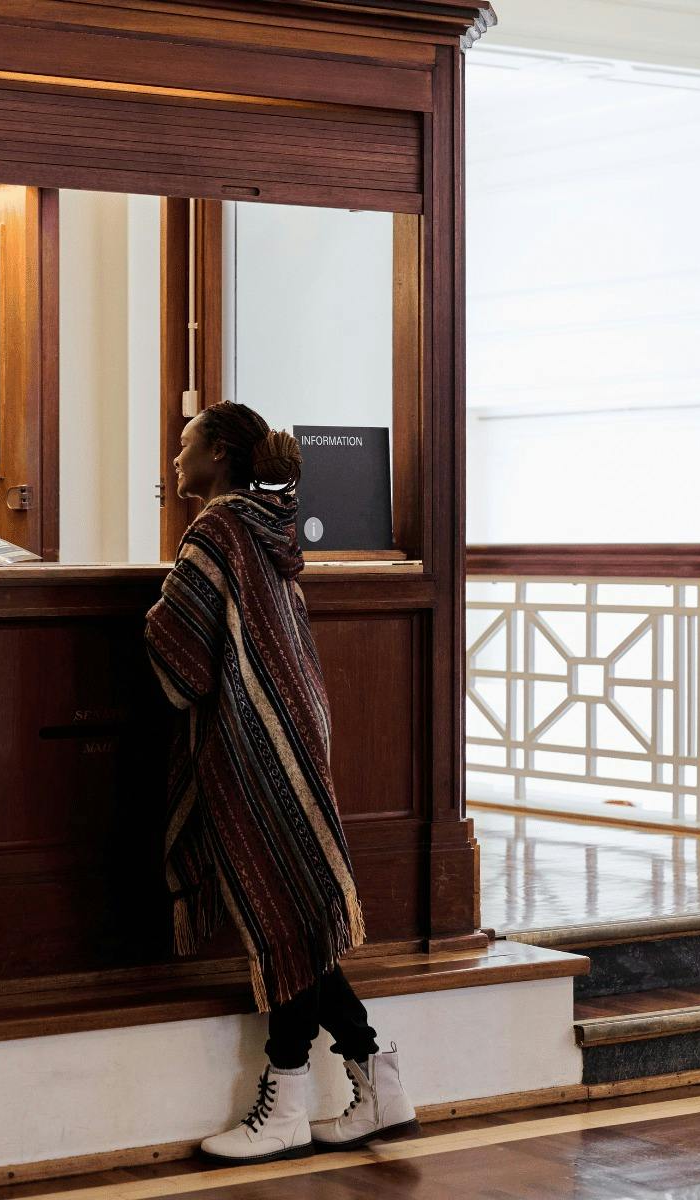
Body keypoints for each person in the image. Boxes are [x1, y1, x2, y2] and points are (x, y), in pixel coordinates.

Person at [144, 402, 418, 1164]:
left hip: (249, 732)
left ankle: (290, 1100)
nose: (175, 462)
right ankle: (373, 1083)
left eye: (185, 448)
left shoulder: (216, 530)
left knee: (284, 914)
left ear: (220, 456)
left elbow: (179, 658)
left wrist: (153, 615)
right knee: (295, 910)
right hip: (296, 722)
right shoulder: (268, 524)